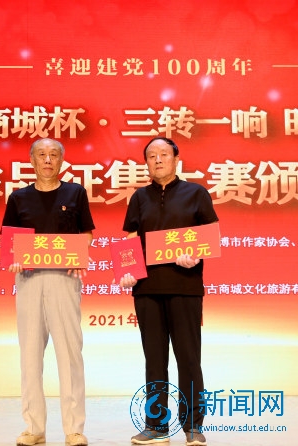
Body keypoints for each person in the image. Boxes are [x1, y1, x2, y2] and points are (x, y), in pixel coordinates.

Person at [119, 137, 218, 446]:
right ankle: (156, 425)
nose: (158, 159)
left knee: (188, 358)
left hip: (184, 286)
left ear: (176, 159)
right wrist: (127, 271)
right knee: (154, 360)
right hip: (147, 289)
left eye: (164, 154)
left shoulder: (196, 193)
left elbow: (209, 236)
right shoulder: (139, 197)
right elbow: (131, 239)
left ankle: (193, 425)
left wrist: (196, 255)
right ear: (146, 163)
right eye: (152, 156)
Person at [1, 138, 95, 446]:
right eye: (41, 154)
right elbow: (9, 241)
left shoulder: (75, 192)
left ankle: (74, 429)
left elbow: (86, 233)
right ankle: (34, 428)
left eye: (54, 155)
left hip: (64, 279)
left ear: (61, 160)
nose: (47, 160)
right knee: (29, 355)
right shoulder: (18, 198)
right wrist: (14, 258)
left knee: (70, 354)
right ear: (31, 160)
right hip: (29, 280)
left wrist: (79, 253)